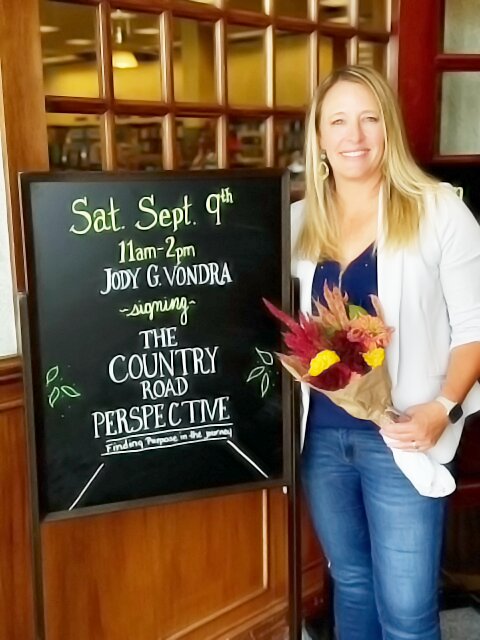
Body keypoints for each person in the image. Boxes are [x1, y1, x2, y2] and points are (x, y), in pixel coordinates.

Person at [291, 65, 480, 640]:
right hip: (320, 441)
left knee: (405, 611)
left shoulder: (439, 209)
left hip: (404, 437)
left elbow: (475, 327)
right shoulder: (298, 221)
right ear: (320, 137)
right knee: (351, 584)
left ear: (388, 130)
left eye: (370, 119)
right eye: (339, 121)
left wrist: (442, 407)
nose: (356, 135)